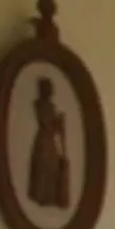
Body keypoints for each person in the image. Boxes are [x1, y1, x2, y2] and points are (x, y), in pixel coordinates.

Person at [27, 76, 70, 209]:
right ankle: (41, 196)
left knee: (52, 168)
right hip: (45, 141)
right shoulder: (41, 106)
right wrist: (57, 122)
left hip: (49, 141)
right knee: (45, 167)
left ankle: (50, 197)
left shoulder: (50, 106)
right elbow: (47, 124)